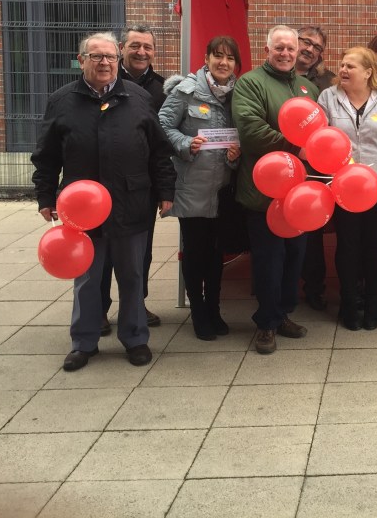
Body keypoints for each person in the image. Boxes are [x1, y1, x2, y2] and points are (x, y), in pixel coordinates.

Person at [32, 32, 174, 372]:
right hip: (81, 211)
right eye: (96, 56)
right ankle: (84, 342)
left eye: (110, 56)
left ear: (117, 59)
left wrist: (166, 191)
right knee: (87, 279)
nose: (105, 63)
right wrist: (45, 195)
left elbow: (159, 151)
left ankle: (135, 338)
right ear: (82, 60)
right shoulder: (62, 101)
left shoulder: (138, 98)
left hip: (132, 202)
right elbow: (46, 155)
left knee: (132, 276)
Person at [232, 25, 318, 354]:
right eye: (279, 47)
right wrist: (296, 148)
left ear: (298, 52)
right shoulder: (250, 83)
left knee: (294, 258)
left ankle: (283, 315)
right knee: (269, 261)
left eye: (290, 48)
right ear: (266, 50)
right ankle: (266, 323)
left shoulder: (308, 88)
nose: (285, 53)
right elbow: (251, 130)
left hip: (299, 194)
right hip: (263, 194)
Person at [318, 47, 377, 330]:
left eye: (351, 66)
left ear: (368, 72)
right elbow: (319, 138)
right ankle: (348, 302)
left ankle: (372, 301)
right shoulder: (328, 97)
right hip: (341, 187)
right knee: (347, 246)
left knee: (373, 247)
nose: (343, 70)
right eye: (342, 65)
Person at [158, 36, 242, 340]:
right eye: (217, 56)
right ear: (206, 59)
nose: (223, 62)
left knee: (217, 253)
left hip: (223, 190)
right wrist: (185, 143)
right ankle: (198, 313)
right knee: (195, 253)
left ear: (236, 64)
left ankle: (214, 309)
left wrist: (235, 156)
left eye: (229, 58)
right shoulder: (186, 91)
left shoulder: (239, 95)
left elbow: (241, 135)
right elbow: (162, 125)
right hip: (193, 187)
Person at [100, 25, 168, 332]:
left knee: (141, 251)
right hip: (102, 185)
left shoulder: (162, 89)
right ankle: (99, 309)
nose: (142, 52)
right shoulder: (103, 82)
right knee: (101, 251)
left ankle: (136, 305)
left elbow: (162, 145)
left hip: (142, 186)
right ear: (121, 49)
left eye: (147, 47)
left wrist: (165, 189)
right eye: (135, 46)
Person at [295, 25, 335, 311]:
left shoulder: (328, 82)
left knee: (312, 231)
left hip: (314, 166)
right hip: (278, 163)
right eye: (306, 42)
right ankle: (275, 287)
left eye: (317, 47)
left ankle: (314, 288)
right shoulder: (271, 75)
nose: (310, 49)